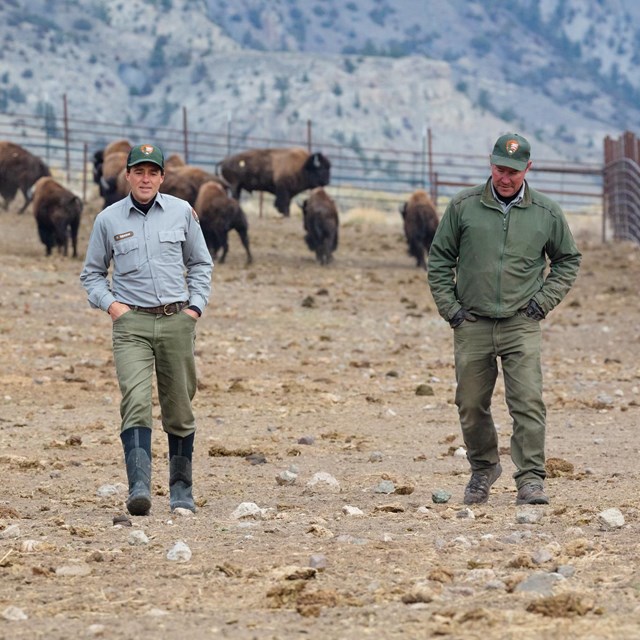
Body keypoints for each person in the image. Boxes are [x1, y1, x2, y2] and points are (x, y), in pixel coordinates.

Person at [427, 133, 581, 506]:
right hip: (472, 323)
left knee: (527, 401)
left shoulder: (546, 213)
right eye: (500, 168)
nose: (505, 177)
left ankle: (531, 480)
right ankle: (483, 469)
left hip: (520, 323)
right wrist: (453, 311)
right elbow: (439, 260)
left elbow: (567, 260)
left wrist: (541, 303)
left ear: (528, 168)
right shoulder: (463, 206)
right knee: (469, 401)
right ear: (490, 163)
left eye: (513, 170)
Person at [80, 144, 213, 516]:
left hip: (177, 321)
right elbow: (91, 274)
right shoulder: (108, 220)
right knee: (135, 400)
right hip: (131, 324)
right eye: (138, 172)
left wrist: (195, 308)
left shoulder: (182, 213)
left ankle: (181, 489)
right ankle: (139, 487)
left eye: (152, 172)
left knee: (179, 406)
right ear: (127, 175)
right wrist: (113, 307)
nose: (145, 179)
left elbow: (201, 263)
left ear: (162, 177)